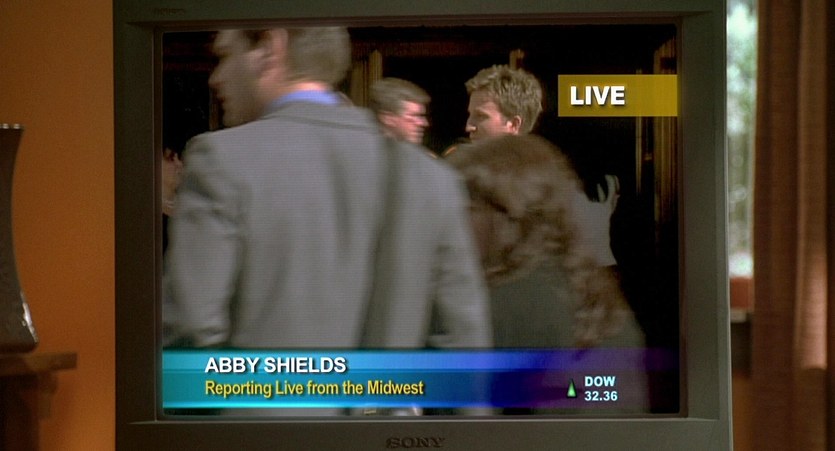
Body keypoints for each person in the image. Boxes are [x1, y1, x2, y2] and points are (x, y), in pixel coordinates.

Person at [164, 27, 490, 353]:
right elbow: (463, 343)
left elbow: (190, 329)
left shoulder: (221, 161)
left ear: (270, 48)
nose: (216, 78)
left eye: (225, 55)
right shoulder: (432, 178)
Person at [446, 134, 647, 412]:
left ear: (506, 213)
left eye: (468, 208)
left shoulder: (500, 307)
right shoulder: (604, 302)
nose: (452, 223)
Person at [368, 77, 431, 148]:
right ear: (388, 118)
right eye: (414, 116)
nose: (424, 123)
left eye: (421, 116)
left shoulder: (415, 153)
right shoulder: (364, 150)